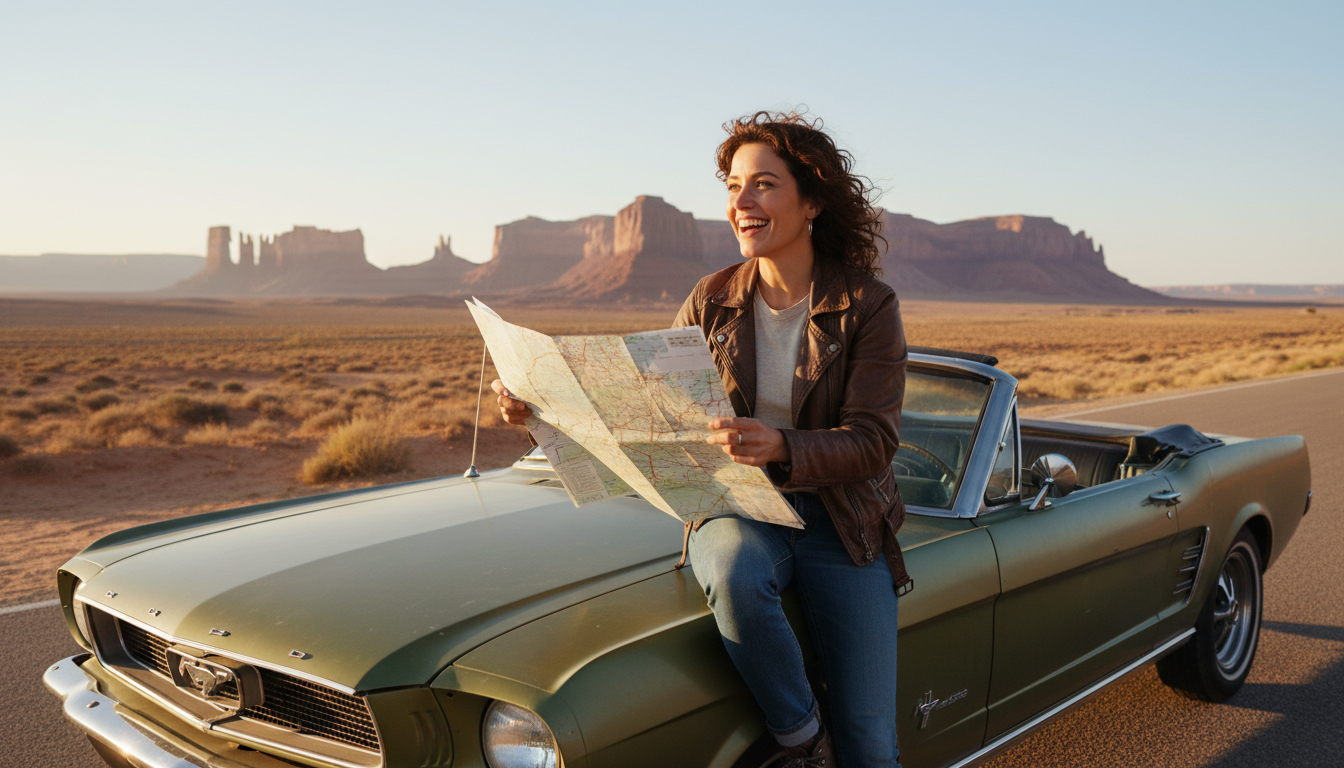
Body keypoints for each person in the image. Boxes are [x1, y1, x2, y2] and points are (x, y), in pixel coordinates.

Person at [493, 111, 908, 768]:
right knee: (731, 572)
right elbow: (653, 416)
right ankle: (803, 740)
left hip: (843, 521)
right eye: (734, 186)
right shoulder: (710, 299)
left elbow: (873, 442)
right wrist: (545, 414)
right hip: (739, 501)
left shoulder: (868, 305)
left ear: (813, 202)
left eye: (764, 185)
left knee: (872, 744)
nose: (741, 202)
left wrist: (783, 445)